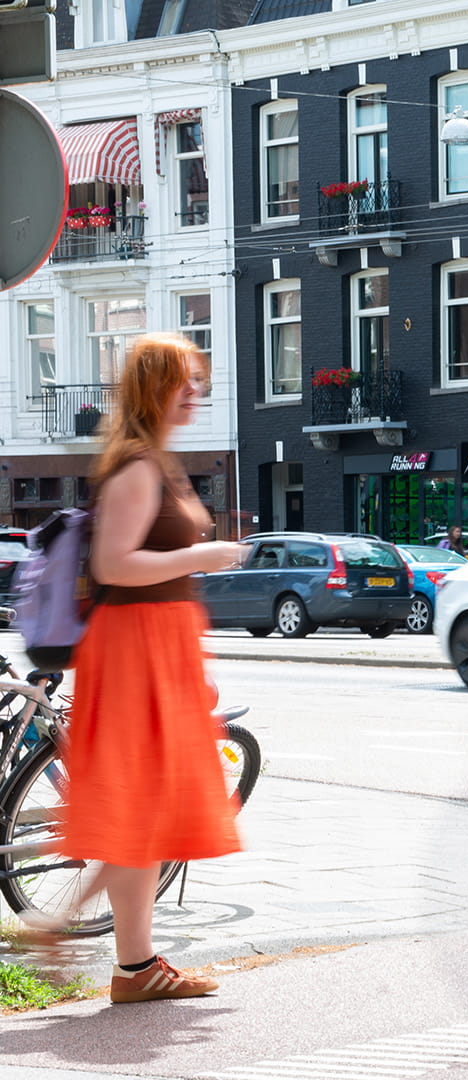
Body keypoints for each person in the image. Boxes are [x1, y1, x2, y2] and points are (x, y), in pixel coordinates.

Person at [38, 334, 249, 1002]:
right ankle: (59, 924)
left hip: (158, 643)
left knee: (150, 800)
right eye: (183, 381)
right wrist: (201, 557)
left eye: (198, 381)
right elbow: (113, 566)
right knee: (145, 799)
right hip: (134, 648)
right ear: (152, 387)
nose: (195, 392)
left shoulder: (155, 459)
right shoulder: (137, 465)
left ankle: (135, 969)